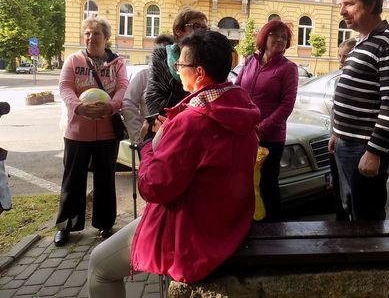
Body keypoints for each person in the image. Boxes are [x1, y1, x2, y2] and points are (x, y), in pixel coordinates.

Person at [88, 30, 260, 296]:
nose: (177, 70)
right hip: (229, 223)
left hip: (192, 236)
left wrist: (148, 146)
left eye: (180, 64)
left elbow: (154, 187)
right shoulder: (241, 106)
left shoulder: (192, 122)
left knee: (99, 266)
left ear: (199, 73)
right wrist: (171, 132)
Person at [329, 0, 389, 221]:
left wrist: (374, 152)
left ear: (371, 4)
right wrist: (338, 132)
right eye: (341, 4)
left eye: (349, 4)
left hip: (364, 147)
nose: (342, 11)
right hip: (347, 143)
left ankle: (367, 249)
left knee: (366, 218)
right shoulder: (362, 41)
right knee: (348, 210)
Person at [55, 16, 129, 246]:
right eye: (87, 33)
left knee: (105, 179)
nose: (90, 37)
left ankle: (105, 224)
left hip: (107, 133)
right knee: (72, 180)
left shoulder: (117, 63)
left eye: (96, 33)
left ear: (106, 37)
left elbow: (123, 87)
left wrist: (111, 106)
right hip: (77, 131)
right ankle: (67, 226)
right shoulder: (73, 60)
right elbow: (65, 87)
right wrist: (78, 107)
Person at [235, 19, 298, 221]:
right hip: (244, 134)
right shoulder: (249, 61)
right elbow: (236, 91)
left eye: (284, 37)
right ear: (264, 36)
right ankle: (247, 224)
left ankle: (273, 229)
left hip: (270, 138)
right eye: (275, 35)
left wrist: (261, 129)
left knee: (267, 185)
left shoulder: (288, 68)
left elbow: (286, 105)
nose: (280, 40)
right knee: (244, 183)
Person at [145, 8, 207, 116]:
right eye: (196, 26)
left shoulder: (208, 58)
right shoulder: (163, 57)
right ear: (178, 31)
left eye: (204, 28)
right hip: (169, 122)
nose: (201, 32)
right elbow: (153, 102)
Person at [121, 34, 174, 144]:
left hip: (173, 138)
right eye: (157, 51)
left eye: (165, 51)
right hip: (148, 138)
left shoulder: (179, 77)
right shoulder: (143, 76)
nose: (161, 55)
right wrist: (138, 136)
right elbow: (128, 104)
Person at [329, 38, 357, 221]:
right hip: (336, 139)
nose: (340, 60)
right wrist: (334, 134)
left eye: (345, 56)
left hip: (349, 142)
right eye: (339, 55)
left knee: (351, 193)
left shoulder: (359, 81)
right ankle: (339, 227)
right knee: (338, 188)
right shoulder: (339, 80)